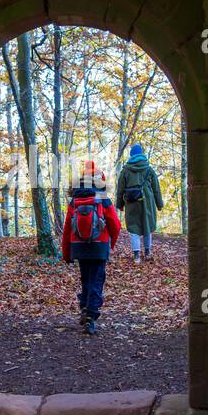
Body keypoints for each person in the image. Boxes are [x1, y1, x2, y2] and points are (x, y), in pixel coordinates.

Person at [61, 161, 121, 336]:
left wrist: (67, 253)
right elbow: (115, 225)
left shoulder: (75, 200)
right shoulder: (102, 198)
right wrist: (111, 244)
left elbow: (66, 229)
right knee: (96, 280)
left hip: (79, 246)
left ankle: (84, 309)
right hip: (99, 246)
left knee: (86, 278)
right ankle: (90, 318)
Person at [115, 143, 163, 264]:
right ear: (141, 154)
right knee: (147, 225)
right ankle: (147, 253)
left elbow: (120, 189)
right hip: (147, 201)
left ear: (131, 155)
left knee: (134, 227)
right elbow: (156, 188)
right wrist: (159, 204)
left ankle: (136, 256)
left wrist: (119, 204)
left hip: (132, 202)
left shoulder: (125, 170)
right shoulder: (149, 169)